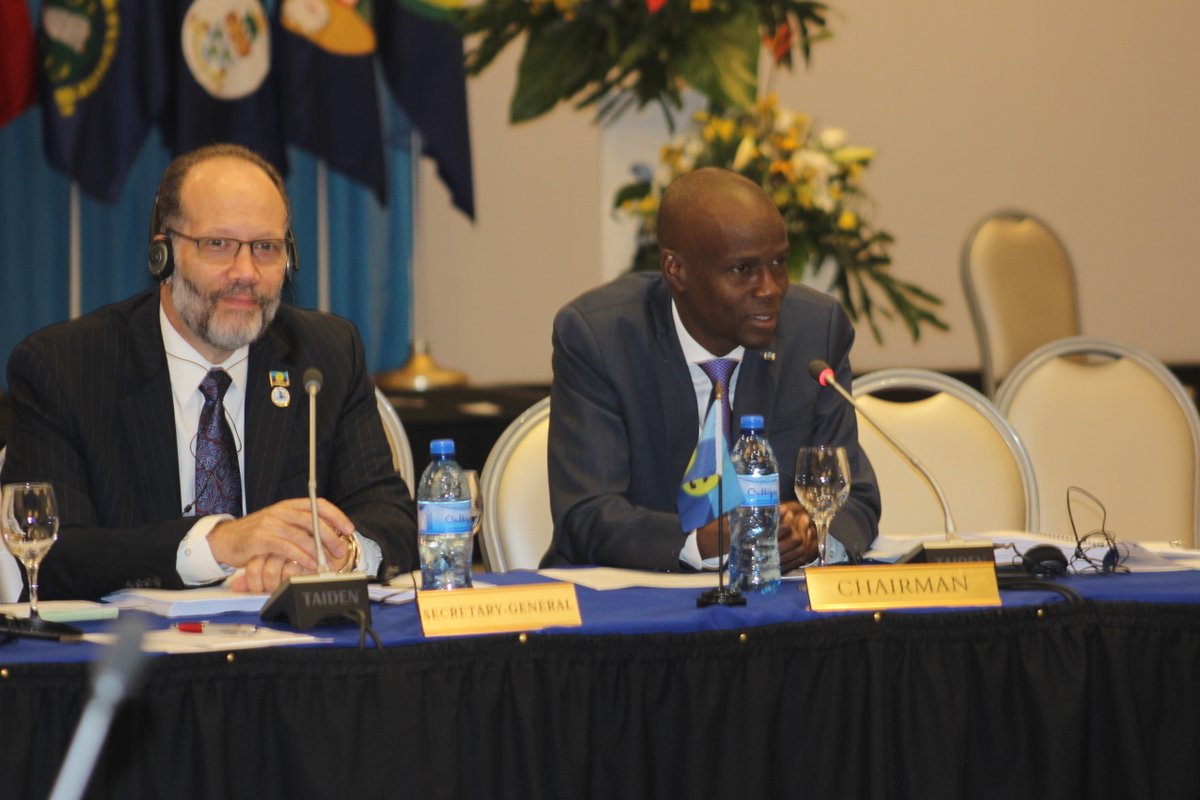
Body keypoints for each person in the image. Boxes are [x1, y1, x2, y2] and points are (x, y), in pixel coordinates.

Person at [2, 143, 417, 599]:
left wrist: (342, 554)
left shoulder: (326, 355)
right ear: (163, 254)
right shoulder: (65, 367)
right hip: (135, 643)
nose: (247, 272)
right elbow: (51, 553)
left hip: (293, 641)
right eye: (218, 244)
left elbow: (391, 517)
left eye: (266, 247)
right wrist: (218, 544)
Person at [543, 167, 880, 572]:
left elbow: (854, 496)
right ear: (676, 270)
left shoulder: (815, 332)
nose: (771, 288)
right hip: (637, 593)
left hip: (772, 595)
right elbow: (587, 514)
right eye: (743, 269)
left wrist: (812, 529)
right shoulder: (601, 339)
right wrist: (701, 543)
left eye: (779, 262)